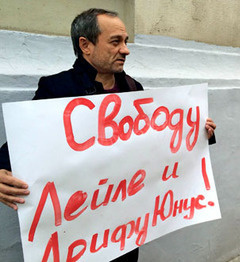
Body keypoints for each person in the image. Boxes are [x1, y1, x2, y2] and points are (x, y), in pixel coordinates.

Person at [0, 8, 216, 262]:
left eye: (125, 42)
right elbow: (27, 143)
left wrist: (198, 133)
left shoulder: (135, 90)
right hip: (77, 234)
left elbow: (156, 148)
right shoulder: (58, 89)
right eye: (116, 42)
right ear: (85, 45)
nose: (125, 49)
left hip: (123, 231)